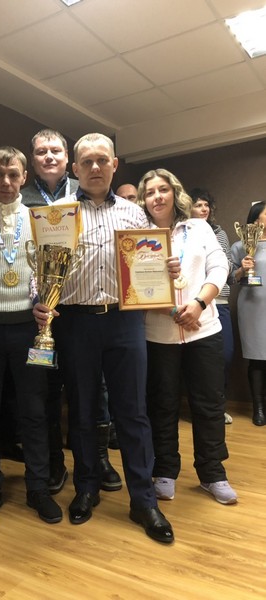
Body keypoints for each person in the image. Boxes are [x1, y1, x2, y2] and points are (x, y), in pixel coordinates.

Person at [34, 133, 174, 544]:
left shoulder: (135, 214)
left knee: (133, 412)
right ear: (75, 168)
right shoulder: (56, 214)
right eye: (86, 161)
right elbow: (41, 270)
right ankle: (86, 488)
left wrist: (166, 268)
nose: (94, 167)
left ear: (114, 164)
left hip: (124, 322)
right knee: (81, 410)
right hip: (74, 322)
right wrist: (39, 300)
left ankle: (143, 500)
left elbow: (150, 266)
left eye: (102, 160)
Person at [0, 146, 62, 528]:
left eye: (13, 174)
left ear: (24, 177)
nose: (6, 182)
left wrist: (43, 303)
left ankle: (38, 487)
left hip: (29, 330)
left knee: (34, 412)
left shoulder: (40, 220)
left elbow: (47, 272)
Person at [23, 128, 121, 495]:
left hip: (82, 313)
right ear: (33, 159)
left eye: (55, 151)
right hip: (42, 316)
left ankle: (100, 459)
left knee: (96, 391)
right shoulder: (21, 199)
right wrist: (37, 301)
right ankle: (54, 462)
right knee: (47, 391)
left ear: (69, 161)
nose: (49, 157)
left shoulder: (86, 193)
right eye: (41, 151)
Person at [138, 168, 237, 506]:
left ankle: (213, 473)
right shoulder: (138, 236)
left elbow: (219, 267)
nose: (157, 196)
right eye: (150, 192)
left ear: (175, 192)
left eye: (163, 189)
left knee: (209, 404)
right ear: (143, 200)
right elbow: (134, 287)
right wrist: (172, 311)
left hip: (204, 328)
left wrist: (198, 304)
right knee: (162, 404)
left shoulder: (198, 227)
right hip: (158, 333)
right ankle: (165, 471)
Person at [190, 188, 235, 425]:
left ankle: (218, 406)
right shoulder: (184, 232)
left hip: (219, 301)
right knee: (196, 361)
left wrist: (222, 260)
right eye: (198, 205)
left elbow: (228, 270)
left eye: (206, 205)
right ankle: (198, 407)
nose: (203, 209)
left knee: (224, 356)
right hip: (193, 303)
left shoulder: (219, 233)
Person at [231, 201, 266, 426]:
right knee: (257, 359)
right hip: (252, 306)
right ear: (256, 218)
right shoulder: (240, 246)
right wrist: (242, 269)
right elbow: (230, 278)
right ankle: (258, 409)